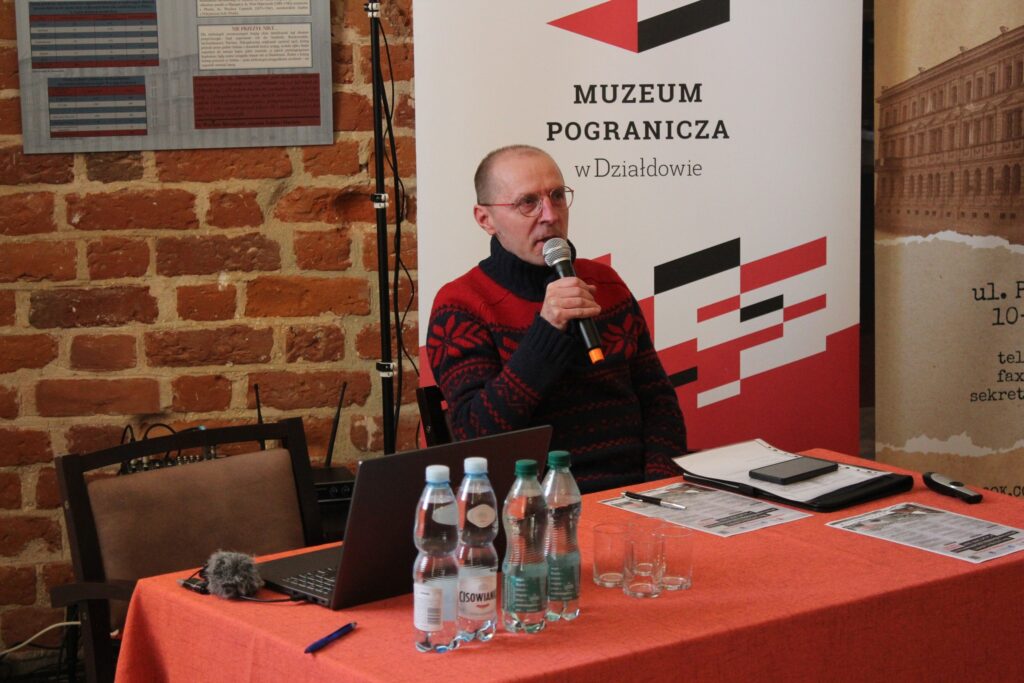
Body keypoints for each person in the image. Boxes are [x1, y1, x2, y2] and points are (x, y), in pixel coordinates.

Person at [426, 144, 687, 492]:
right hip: (537, 503)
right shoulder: (461, 305)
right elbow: (476, 436)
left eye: (557, 196)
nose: (549, 215)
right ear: (485, 219)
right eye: (528, 202)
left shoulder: (605, 284)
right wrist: (547, 331)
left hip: (638, 495)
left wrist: (659, 488)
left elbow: (659, 403)